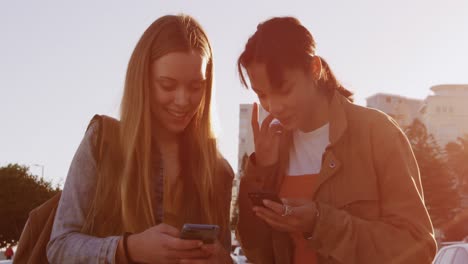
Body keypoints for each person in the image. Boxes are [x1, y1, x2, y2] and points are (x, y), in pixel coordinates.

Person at [235, 16, 437, 264]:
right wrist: (260, 171)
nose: (273, 106)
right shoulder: (272, 148)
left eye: (284, 89)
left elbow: (418, 249)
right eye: (262, 95)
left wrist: (321, 223)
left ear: (314, 69)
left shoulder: (377, 133)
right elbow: (256, 252)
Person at [46, 14, 234, 264]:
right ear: (142, 80)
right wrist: (127, 249)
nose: (183, 100)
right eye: (167, 85)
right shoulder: (103, 142)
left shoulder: (219, 171)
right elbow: (59, 247)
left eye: (196, 86)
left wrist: (222, 260)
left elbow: (224, 253)